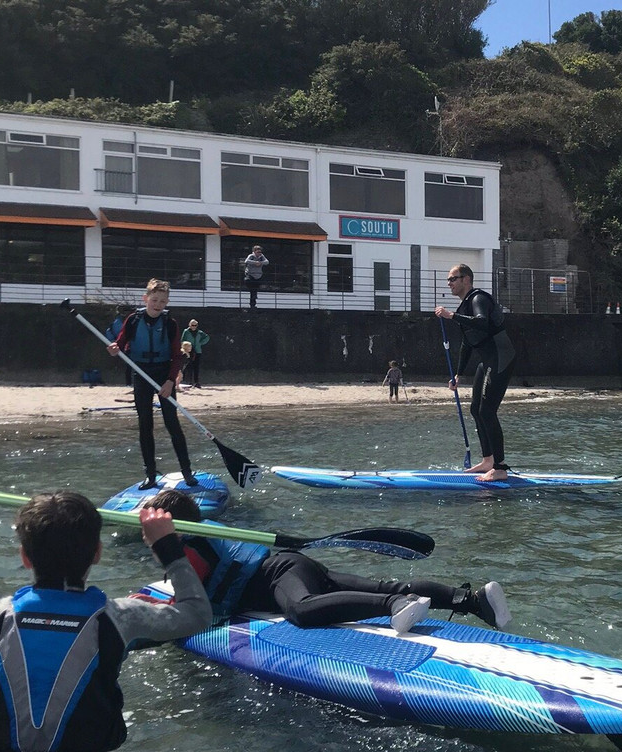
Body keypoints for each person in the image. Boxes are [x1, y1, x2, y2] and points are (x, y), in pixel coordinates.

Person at [0, 479, 211, 752]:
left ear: (24, 556)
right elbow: (197, 614)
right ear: (97, 554)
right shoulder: (122, 616)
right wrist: (167, 547)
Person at [144, 489, 511, 634]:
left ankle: (396, 605)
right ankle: (475, 601)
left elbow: (192, 611)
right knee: (383, 584)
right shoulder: (200, 538)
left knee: (302, 611)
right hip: (295, 567)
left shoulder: (187, 549)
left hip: (279, 576)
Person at [107, 278, 197, 487]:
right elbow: (119, 344)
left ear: (167, 302)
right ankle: (151, 474)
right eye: (154, 300)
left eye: (163, 302)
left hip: (164, 373)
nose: (158, 305)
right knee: (145, 425)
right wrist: (113, 349)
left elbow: (177, 356)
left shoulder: (169, 323)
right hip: (141, 373)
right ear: (145, 298)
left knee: (172, 423)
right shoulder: (133, 320)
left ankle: (187, 472)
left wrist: (169, 382)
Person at [434, 264, 516, 482]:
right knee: (476, 410)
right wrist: (458, 374)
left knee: (487, 411)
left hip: (501, 357)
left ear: (467, 280)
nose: (449, 283)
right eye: (448, 280)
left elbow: (482, 323)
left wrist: (451, 316)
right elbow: (467, 344)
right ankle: (488, 460)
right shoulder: (463, 307)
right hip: (486, 361)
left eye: (453, 279)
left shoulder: (478, 299)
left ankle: (500, 468)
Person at [104, 308, 132, 386]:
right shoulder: (118, 322)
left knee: (131, 366)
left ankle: (130, 384)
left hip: (129, 346)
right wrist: (114, 343)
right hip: (125, 347)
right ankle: (129, 384)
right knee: (129, 367)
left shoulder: (130, 320)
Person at [180, 319, 210, 388]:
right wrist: (185, 348)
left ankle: (196, 382)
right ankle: (188, 381)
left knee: (196, 367)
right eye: (192, 325)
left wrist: (200, 343)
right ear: (189, 325)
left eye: (195, 325)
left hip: (197, 351)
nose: (194, 327)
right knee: (188, 366)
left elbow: (207, 337)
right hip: (188, 351)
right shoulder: (186, 331)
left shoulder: (200, 332)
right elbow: (182, 340)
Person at [243, 245, 269, 309]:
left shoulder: (261, 257)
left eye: (260, 252)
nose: (259, 253)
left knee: (254, 289)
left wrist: (260, 263)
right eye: (258, 252)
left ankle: (253, 303)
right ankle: (253, 302)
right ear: (254, 252)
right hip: (251, 274)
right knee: (250, 285)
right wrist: (255, 262)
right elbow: (246, 261)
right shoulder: (251, 256)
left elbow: (267, 262)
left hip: (258, 275)